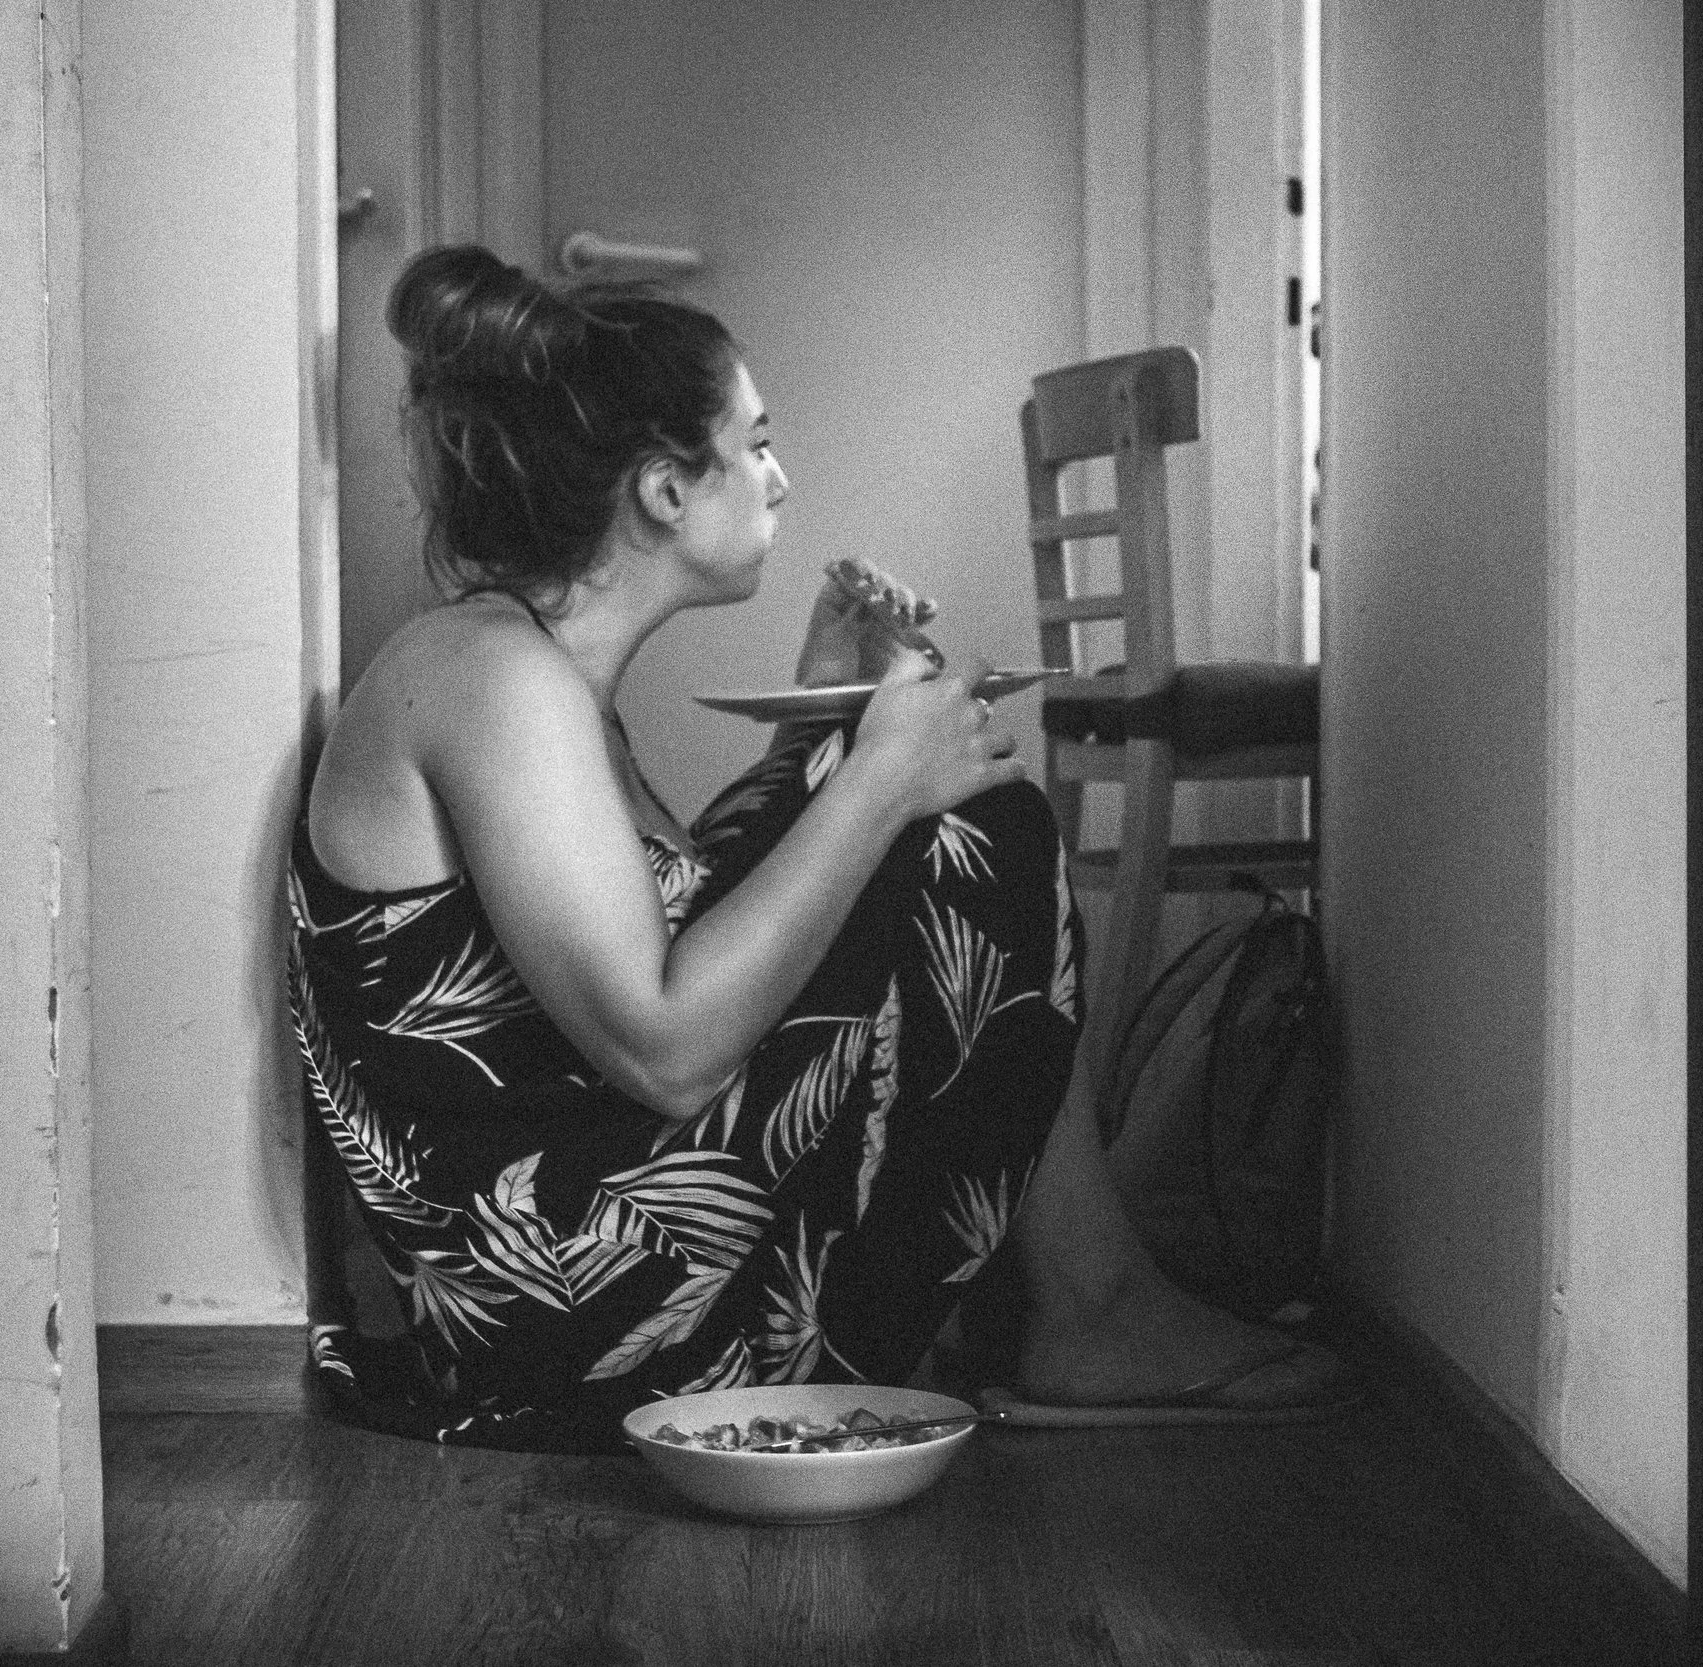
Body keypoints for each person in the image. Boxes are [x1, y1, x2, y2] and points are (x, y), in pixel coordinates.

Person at [288, 244, 1349, 1451]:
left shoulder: (525, 673)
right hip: (551, 1309)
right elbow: (666, 1043)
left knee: (923, 810)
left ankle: (1085, 1300)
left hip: (581, 1249)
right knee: (966, 832)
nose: (780, 480)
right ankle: (1092, 1307)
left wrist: (827, 725)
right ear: (663, 491)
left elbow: (673, 923)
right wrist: (881, 778)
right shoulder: (490, 679)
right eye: (753, 443)